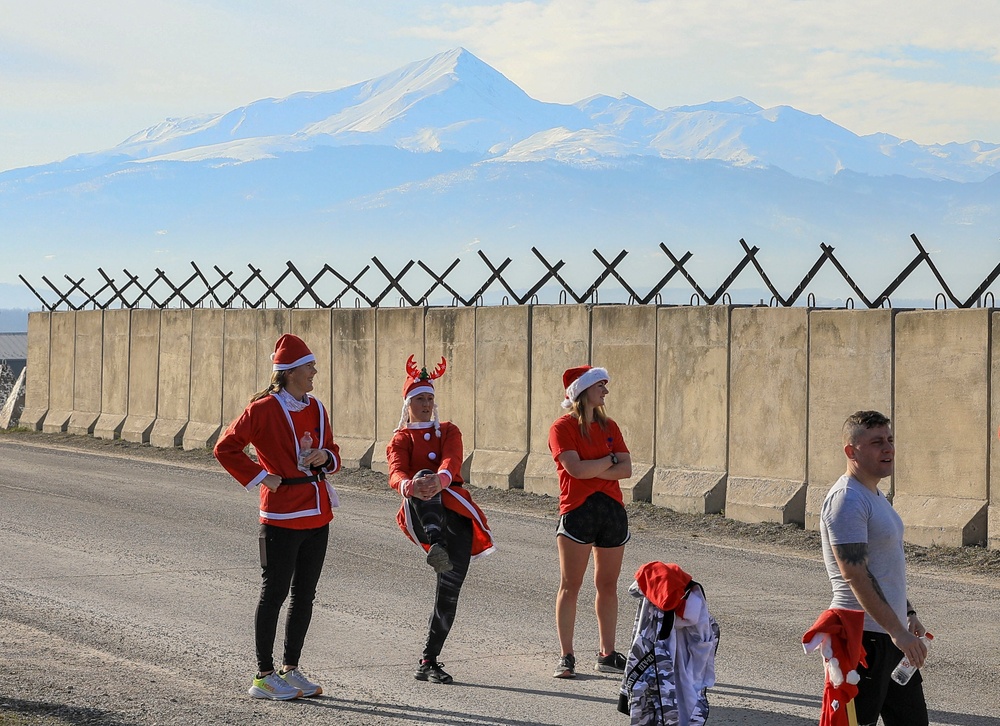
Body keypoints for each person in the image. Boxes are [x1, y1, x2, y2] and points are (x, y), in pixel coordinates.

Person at [214, 333, 341, 701]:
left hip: (318, 513)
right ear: (289, 372)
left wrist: (325, 457)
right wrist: (261, 475)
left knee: (305, 596)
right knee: (274, 595)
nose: (315, 371)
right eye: (309, 366)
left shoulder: (316, 407)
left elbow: (332, 449)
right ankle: (263, 675)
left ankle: (291, 668)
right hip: (281, 516)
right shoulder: (263, 409)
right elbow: (226, 448)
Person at [386, 355, 495, 685]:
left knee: (449, 591)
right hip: (421, 511)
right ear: (408, 404)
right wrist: (413, 484)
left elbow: (452, 459)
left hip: (455, 513)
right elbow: (396, 472)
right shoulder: (401, 438)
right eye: (419, 398)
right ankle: (435, 542)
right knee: (420, 475)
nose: (426, 404)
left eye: (430, 398)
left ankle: (428, 660)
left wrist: (443, 479)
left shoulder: (449, 430)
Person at [819, 410, 929, 725]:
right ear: (851, 451)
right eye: (877, 442)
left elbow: (883, 565)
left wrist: (907, 614)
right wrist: (896, 631)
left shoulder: (874, 495)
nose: (888, 448)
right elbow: (855, 573)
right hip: (862, 639)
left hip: (890, 636)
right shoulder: (847, 499)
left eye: (890, 440)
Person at [548, 365, 632, 679]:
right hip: (577, 511)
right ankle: (566, 655)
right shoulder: (561, 428)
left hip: (611, 512)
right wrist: (608, 461)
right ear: (583, 391)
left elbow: (627, 468)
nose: (606, 392)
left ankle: (607, 654)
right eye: (601, 386)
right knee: (571, 586)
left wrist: (596, 466)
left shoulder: (610, 425)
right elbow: (575, 470)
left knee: (607, 585)